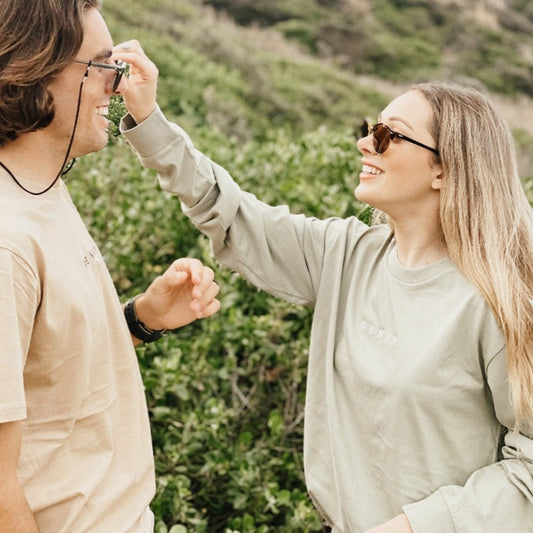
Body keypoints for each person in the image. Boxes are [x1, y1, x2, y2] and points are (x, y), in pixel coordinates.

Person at [118, 38, 533, 531]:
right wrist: (148, 118)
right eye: (367, 128)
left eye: (388, 135)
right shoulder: (345, 253)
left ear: (444, 168)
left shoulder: (499, 296)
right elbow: (231, 214)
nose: (364, 142)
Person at [0, 1, 221, 532]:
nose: (117, 85)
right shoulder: (8, 239)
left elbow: (47, 376)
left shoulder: (42, 190)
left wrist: (142, 319)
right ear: (34, 71)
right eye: (103, 66)